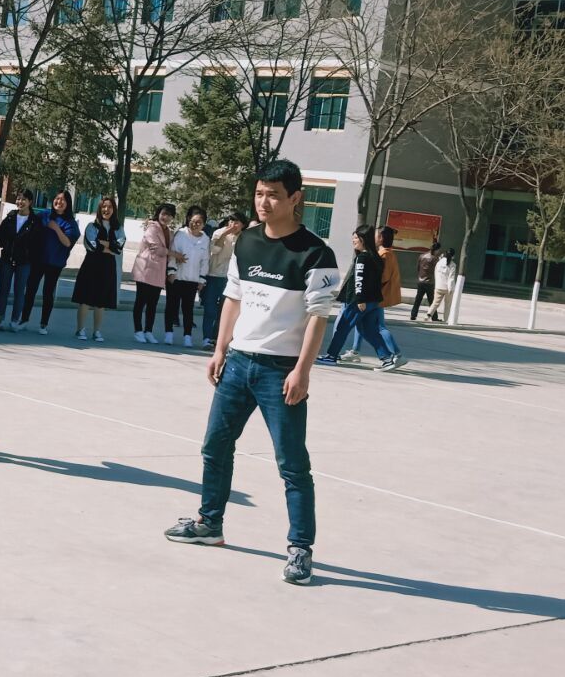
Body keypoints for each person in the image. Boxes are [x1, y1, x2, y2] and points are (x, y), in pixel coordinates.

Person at [166, 160, 340, 586]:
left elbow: (319, 318)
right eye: (260, 193)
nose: (264, 202)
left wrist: (303, 371)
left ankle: (300, 548)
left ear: (295, 198)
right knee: (215, 446)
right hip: (238, 363)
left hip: (281, 372)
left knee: (292, 464)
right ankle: (210, 523)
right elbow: (233, 298)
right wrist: (220, 349)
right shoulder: (246, 241)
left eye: (274, 195)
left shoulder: (317, 253)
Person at [316, 227, 396, 369]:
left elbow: (359, 280)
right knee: (369, 331)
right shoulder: (376, 257)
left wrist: (360, 299)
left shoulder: (362, 258)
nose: (353, 241)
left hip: (359, 301)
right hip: (373, 301)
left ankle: (331, 356)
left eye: (355, 238)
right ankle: (387, 358)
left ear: (363, 239)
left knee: (342, 327)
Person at [23, 191, 79, 336]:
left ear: (68, 204)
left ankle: (43, 324)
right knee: (30, 289)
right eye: (57, 198)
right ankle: (24, 319)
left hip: (55, 263)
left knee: (48, 292)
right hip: (38, 259)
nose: (59, 202)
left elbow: (68, 242)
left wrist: (56, 228)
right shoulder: (44, 214)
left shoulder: (70, 222)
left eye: (63, 200)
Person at [72, 196, 124, 342]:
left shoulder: (118, 229)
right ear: (99, 209)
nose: (106, 209)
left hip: (108, 267)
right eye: (103, 207)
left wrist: (104, 244)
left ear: (114, 209)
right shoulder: (91, 226)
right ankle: (80, 329)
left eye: (110, 207)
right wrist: (110, 246)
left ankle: (97, 331)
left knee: (101, 302)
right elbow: (92, 245)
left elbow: (119, 247)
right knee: (85, 299)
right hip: (91, 265)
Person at [0, 189, 39, 332]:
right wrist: (5, 246)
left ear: (30, 202)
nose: (20, 202)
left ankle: (15, 320)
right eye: (18, 198)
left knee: (19, 291)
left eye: (24, 199)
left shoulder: (34, 221)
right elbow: (0, 234)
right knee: (3, 290)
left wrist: (28, 254)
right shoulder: (11, 216)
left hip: (24, 262)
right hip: (7, 259)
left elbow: (37, 242)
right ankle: (0, 318)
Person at [130, 203, 175, 344]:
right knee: (141, 301)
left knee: (153, 304)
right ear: (158, 214)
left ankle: (148, 331)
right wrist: (174, 254)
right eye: (163, 214)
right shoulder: (152, 228)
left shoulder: (170, 232)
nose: (166, 217)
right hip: (146, 269)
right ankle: (138, 331)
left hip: (159, 272)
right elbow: (156, 248)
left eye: (169, 215)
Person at [167, 206, 211, 346]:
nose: (195, 224)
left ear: (203, 224)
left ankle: (187, 336)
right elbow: (172, 253)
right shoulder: (181, 234)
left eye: (199, 222)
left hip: (192, 280)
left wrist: (202, 279)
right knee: (172, 306)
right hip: (177, 277)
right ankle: (168, 334)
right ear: (188, 220)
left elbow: (205, 261)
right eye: (192, 221)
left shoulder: (205, 239)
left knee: (188, 309)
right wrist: (171, 272)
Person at [200, 216, 242, 347]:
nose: (233, 224)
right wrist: (224, 234)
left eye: (236, 222)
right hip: (214, 275)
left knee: (225, 311)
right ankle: (207, 338)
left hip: (231, 278)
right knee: (210, 308)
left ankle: (217, 338)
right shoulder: (219, 232)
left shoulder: (244, 237)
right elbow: (214, 250)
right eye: (231, 221)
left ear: (242, 225)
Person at [411, 241, 440, 321]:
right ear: (436, 250)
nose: (439, 252)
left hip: (420, 281)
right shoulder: (435, 259)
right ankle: (434, 317)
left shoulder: (422, 256)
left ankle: (413, 315)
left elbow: (418, 268)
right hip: (429, 282)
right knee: (432, 301)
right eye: (438, 250)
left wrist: (420, 276)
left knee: (418, 300)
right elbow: (437, 271)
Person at [430, 248, 457, 322]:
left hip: (439, 286)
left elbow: (436, 273)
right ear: (453, 256)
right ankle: (446, 320)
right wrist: (450, 289)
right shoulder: (453, 265)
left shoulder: (439, 262)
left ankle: (428, 315)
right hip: (447, 288)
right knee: (447, 305)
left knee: (435, 303)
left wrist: (437, 283)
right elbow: (451, 278)